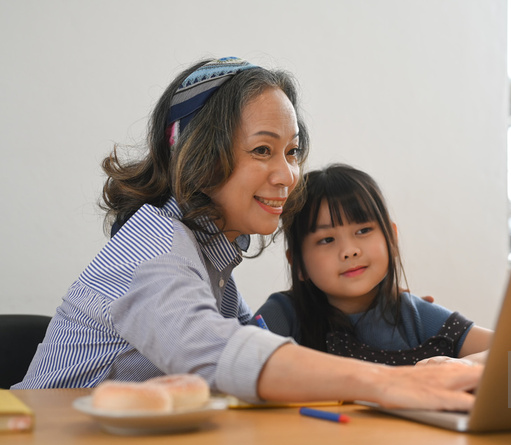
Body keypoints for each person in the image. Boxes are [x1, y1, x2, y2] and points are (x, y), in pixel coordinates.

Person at [13, 56, 481, 411]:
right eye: (263, 150)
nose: (288, 175)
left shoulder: (213, 258)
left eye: (293, 151)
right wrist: (394, 382)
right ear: (199, 155)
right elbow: (222, 355)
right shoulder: (154, 248)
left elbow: (259, 345)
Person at [253, 164, 492, 366]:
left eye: (363, 230)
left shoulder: (414, 315)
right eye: (326, 240)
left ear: (392, 239)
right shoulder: (283, 314)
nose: (349, 251)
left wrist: (462, 365)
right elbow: (237, 369)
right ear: (298, 264)